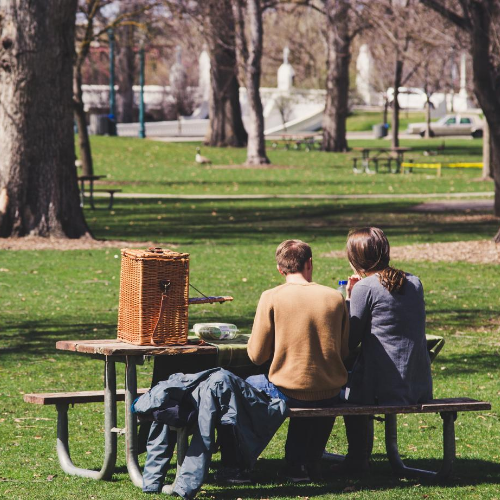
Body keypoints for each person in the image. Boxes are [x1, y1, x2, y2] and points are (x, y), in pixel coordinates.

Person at [246, 239, 350, 482]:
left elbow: (256, 355)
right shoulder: (335, 298)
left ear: (280, 269)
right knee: (311, 389)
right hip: (330, 389)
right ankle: (303, 463)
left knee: (245, 384)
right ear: (310, 263)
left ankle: (236, 462)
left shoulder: (271, 297)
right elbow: (344, 351)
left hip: (288, 389)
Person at [338, 227, 433, 474]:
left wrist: (350, 298)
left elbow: (351, 342)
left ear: (355, 258)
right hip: (416, 383)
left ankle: (355, 458)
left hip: (382, 387)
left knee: (336, 388)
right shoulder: (414, 282)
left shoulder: (365, 288)